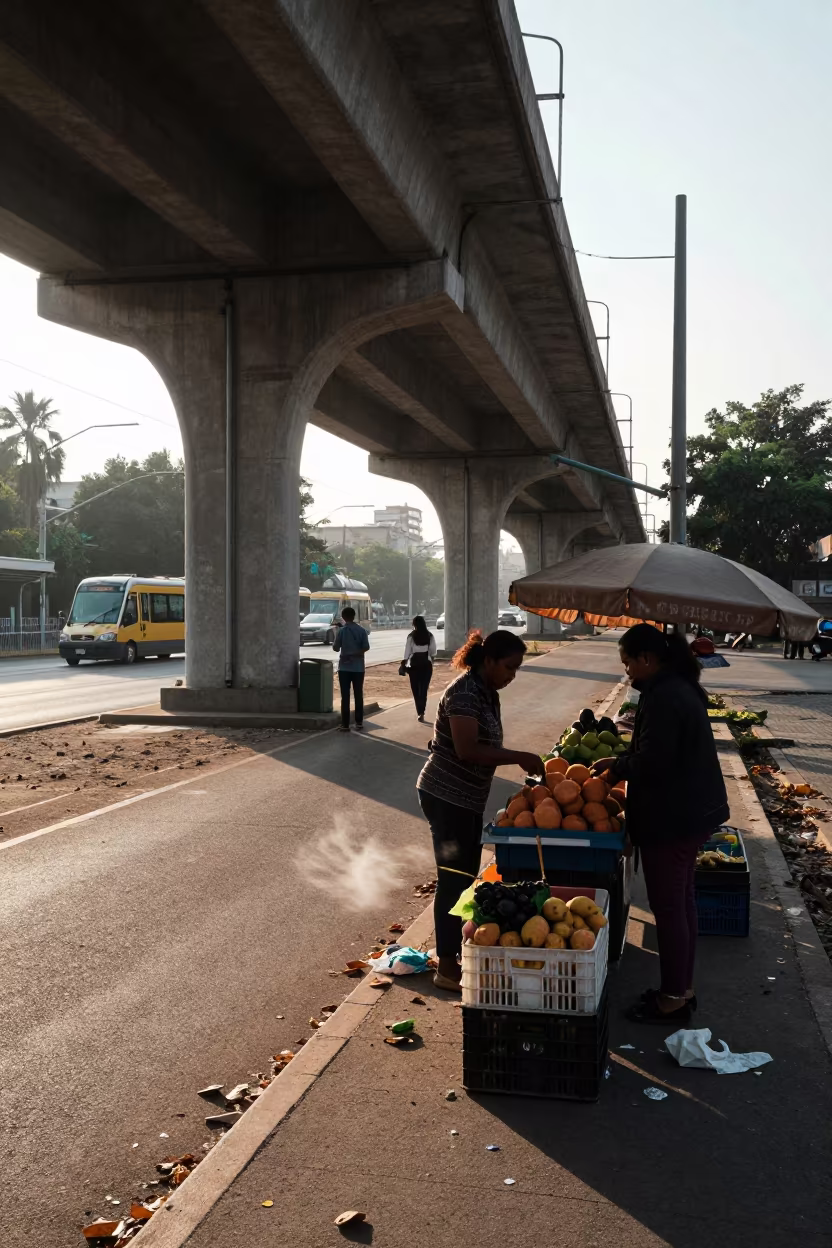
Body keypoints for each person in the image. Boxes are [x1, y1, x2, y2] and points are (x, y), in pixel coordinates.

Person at [591, 622, 728, 1024]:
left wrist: (617, 767)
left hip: (674, 818)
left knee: (670, 908)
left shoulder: (666, 695)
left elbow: (654, 761)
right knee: (681, 903)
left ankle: (672, 999)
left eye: (628, 662)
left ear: (647, 659)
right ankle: (681, 988)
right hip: (690, 812)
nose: (627, 671)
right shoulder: (673, 686)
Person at [416, 629, 544, 991]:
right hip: (446, 797)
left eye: (517, 669)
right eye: (509, 667)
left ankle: (456, 953)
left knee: (464, 877)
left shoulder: (487, 691)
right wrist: (518, 757)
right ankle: (446, 966)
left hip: (467, 800)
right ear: (488, 660)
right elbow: (467, 749)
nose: (511, 675)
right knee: (453, 880)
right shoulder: (464, 693)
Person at [332, 606, 370, 732]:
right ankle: (359, 722)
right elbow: (366, 647)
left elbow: (336, 648)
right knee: (358, 694)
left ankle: (345, 724)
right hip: (358, 668)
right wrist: (356, 653)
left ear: (343, 617)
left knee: (345, 696)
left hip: (344, 668)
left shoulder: (342, 631)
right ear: (354, 616)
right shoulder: (362, 630)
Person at [403, 615, 437, 722]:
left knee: (415, 690)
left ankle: (419, 712)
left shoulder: (411, 636)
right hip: (426, 665)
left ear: (414, 624)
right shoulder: (429, 635)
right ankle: (422, 712)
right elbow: (433, 651)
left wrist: (404, 663)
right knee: (423, 689)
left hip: (414, 666)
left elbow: (407, 652)